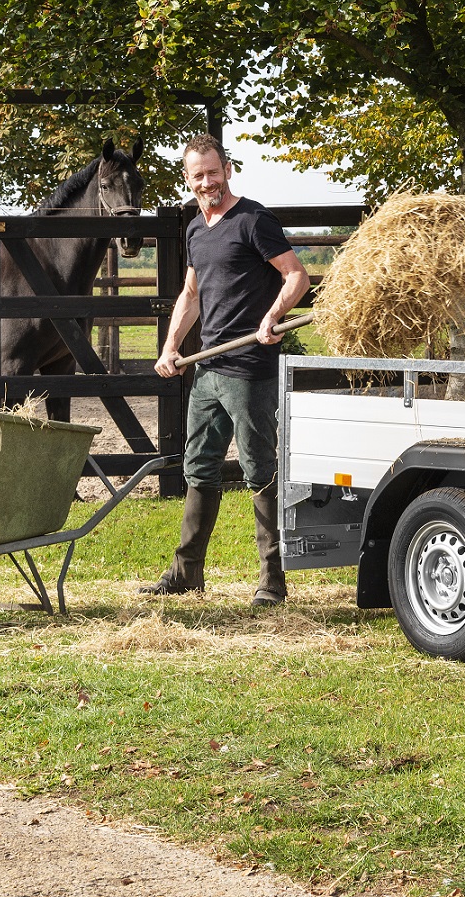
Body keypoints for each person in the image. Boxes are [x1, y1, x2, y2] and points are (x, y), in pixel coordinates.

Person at [141, 134, 310, 602]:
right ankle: (186, 572)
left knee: (260, 469)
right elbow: (191, 295)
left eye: (213, 172)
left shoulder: (253, 220)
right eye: (198, 175)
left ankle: (272, 581)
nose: (207, 182)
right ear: (187, 180)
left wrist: (273, 315)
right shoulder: (196, 228)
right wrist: (171, 346)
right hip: (208, 368)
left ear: (228, 170)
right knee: (200, 466)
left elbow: (296, 275)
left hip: (249, 367)